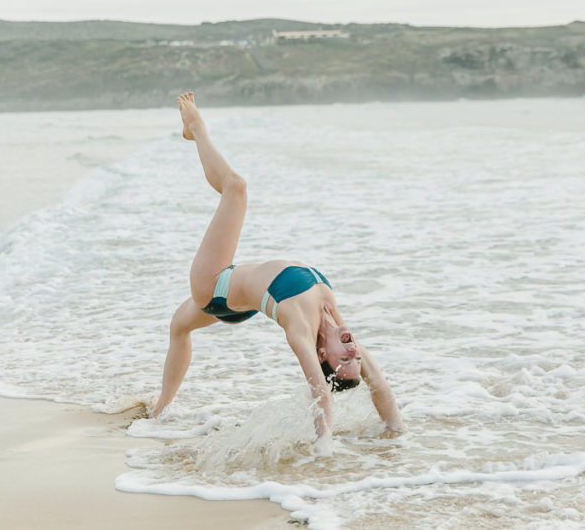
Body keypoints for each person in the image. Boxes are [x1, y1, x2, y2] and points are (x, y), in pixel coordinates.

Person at [149, 92, 402, 439]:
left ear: (322, 353)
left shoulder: (301, 328)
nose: (353, 353)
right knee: (179, 327)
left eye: (343, 361)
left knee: (235, 188)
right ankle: (159, 409)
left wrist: (323, 450)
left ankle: (195, 127)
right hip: (237, 299)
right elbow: (381, 387)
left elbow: (320, 392)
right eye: (354, 360)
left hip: (214, 288)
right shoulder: (337, 323)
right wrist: (398, 433)